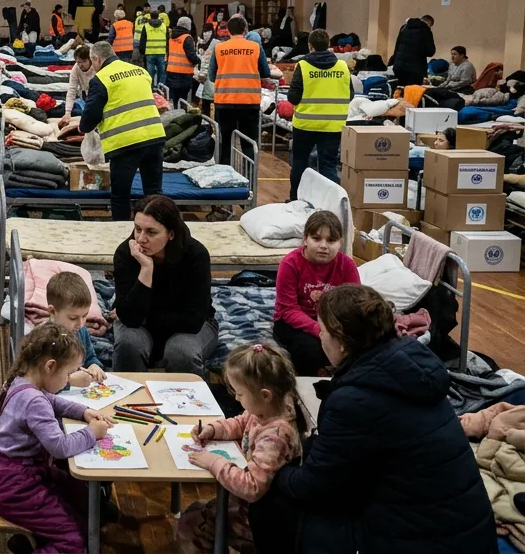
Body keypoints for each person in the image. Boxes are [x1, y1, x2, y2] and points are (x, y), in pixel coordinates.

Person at [271, 285, 496, 553]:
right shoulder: (410, 366)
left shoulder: (356, 399)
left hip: (422, 541)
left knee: (275, 504)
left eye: (322, 331)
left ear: (342, 341)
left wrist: (273, 470)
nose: (319, 337)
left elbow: (313, 486)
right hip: (468, 534)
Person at [0, 322, 112, 554]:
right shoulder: (33, 401)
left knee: (82, 499)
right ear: (50, 367)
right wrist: (92, 432)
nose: (69, 379)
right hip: (14, 487)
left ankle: (27, 541)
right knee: (74, 541)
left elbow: (52, 401)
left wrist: (83, 411)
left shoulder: (24, 380)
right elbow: (60, 447)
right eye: (69, 373)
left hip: (12, 475)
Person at [182, 342, 305, 554]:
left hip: (259, 519)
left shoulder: (275, 437)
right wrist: (214, 429)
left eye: (239, 393)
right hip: (249, 506)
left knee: (191, 525)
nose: (236, 398)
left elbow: (252, 488)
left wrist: (214, 462)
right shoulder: (267, 409)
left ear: (265, 395)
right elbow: (241, 423)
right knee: (193, 511)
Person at [112, 194, 216, 376]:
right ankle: (128, 400)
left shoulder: (196, 255)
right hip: (143, 326)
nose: (141, 239)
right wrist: (146, 268)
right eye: (137, 229)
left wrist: (145, 318)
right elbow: (130, 319)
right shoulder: (126, 253)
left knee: (181, 353)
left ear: (171, 234)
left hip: (190, 327)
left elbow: (193, 320)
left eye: (151, 232)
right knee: (129, 345)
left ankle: (186, 403)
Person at [80, 41, 165, 221]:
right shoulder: (141, 71)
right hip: (154, 136)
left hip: (125, 143)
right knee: (154, 193)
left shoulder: (101, 79)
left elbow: (90, 117)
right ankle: (157, 232)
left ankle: (121, 238)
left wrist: (84, 127)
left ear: (96, 59)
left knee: (120, 196)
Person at [272, 210, 359, 376]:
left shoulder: (347, 265)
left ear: (340, 242)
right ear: (305, 239)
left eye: (331, 240)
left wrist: (336, 330)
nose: (324, 246)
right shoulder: (290, 264)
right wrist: (320, 330)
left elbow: (354, 304)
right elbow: (289, 309)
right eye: (316, 238)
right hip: (293, 322)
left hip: (333, 322)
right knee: (308, 349)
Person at [288, 29, 351, 197]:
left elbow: (293, 96)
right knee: (328, 166)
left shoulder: (303, 65)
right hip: (333, 126)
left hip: (305, 124)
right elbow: (350, 94)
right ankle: (329, 205)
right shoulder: (342, 66)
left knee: (300, 162)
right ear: (328, 45)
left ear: (310, 46)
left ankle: (296, 199)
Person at [208, 16, 271, 161]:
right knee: (248, 144)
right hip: (249, 102)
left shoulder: (219, 48)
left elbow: (212, 76)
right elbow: (266, 72)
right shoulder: (255, 47)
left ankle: (225, 176)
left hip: (224, 102)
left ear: (228, 31)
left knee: (225, 142)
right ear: (245, 30)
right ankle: (248, 180)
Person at [45, 271, 107, 387]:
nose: (80, 324)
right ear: (52, 312)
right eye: (73, 318)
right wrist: (70, 381)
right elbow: (40, 384)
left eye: (84, 316)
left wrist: (94, 365)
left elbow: (90, 357)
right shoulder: (44, 340)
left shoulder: (81, 331)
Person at [390, 14, 435, 87]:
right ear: (428, 23)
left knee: (401, 89)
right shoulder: (425, 30)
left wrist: (394, 62)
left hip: (399, 66)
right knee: (413, 93)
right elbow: (430, 52)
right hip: (415, 69)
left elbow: (397, 47)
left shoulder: (404, 27)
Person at [166, 16, 200, 105]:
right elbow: (191, 55)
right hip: (183, 73)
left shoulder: (172, 36)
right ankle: (182, 115)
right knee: (183, 99)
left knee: (174, 98)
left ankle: (175, 113)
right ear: (188, 26)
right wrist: (198, 60)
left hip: (171, 71)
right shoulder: (187, 37)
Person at [60, 45, 94, 127]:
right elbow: (72, 90)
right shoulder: (76, 68)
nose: (81, 65)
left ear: (90, 59)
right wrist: (67, 112)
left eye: (84, 61)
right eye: (78, 62)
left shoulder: (97, 67)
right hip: (87, 94)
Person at [137, 10, 169, 86]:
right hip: (161, 52)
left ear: (150, 16)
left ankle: (150, 89)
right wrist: (167, 50)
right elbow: (167, 39)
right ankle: (160, 89)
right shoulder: (164, 26)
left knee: (150, 73)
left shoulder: (146, 26)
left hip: (149, 52)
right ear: (158, 16)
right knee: (161, 73)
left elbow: (143, 40)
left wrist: (142, 51)